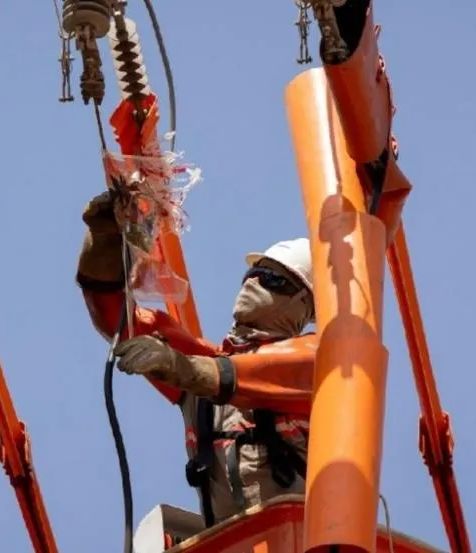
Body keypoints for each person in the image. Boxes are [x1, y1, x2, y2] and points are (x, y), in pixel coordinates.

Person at [76, 190, 319, 527]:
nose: (253, 283)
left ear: (303, 308)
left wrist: (176, 365)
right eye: (251, 275)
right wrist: (104, 239)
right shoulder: (205, 368)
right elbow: (117, 319)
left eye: (273, 280)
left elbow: (237, 374)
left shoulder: (319, 363)